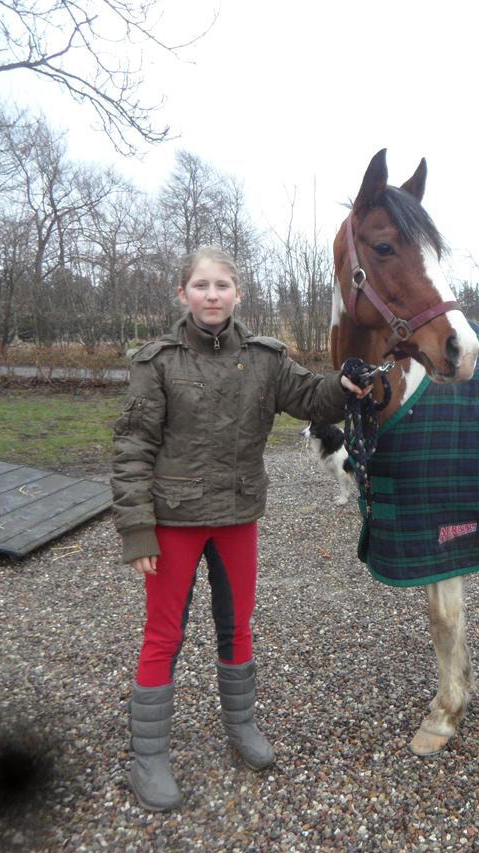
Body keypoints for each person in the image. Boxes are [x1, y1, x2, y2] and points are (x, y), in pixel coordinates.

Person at [111, 246, 366, 811]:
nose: (212, 295)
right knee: (163, 636)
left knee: (238, 628)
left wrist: (345, 386)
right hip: (174, 520)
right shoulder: (156, 363)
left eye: (221, 285)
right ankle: (148, 756)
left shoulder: (265, 358)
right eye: (201, 286)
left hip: (236, 517)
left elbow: (311, 396)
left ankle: (242, 725)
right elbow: (132, 448)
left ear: (238, 294)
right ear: (183, 294)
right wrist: (136, 529)